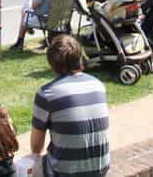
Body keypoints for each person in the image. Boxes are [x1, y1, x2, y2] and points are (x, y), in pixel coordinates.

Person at [30, 35, 110, 176]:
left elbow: (36, 147)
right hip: (101, 170)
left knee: (28, 168)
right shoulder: (98, 85)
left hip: (64, 173)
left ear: (52, 63)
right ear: (79, 58)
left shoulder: (47, 94)